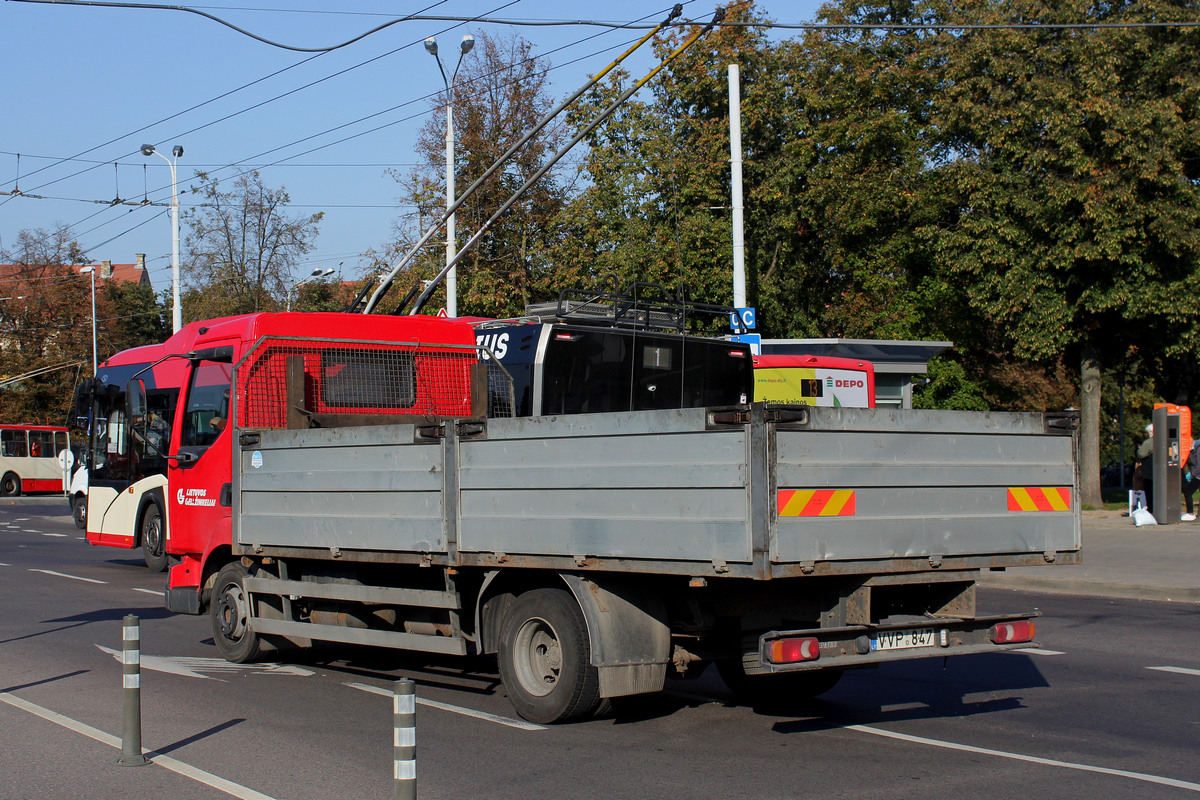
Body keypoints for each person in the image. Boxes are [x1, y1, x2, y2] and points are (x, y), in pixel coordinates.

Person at [1136, 423, 1154, 513]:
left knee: (1149, 491)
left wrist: (1139, 449)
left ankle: (1151, 510)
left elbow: (1141, 454)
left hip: (1150, 471)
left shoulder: (1149, 442)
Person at [1183, 439, 1200, 522]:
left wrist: (1191, 475)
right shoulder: (1192, 450)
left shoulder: (1198, 449)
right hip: (1196, 474)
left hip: (1197, 475)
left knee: (1188, 491)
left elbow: (1199, 466)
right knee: (1187, 491)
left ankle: (1190, 513)